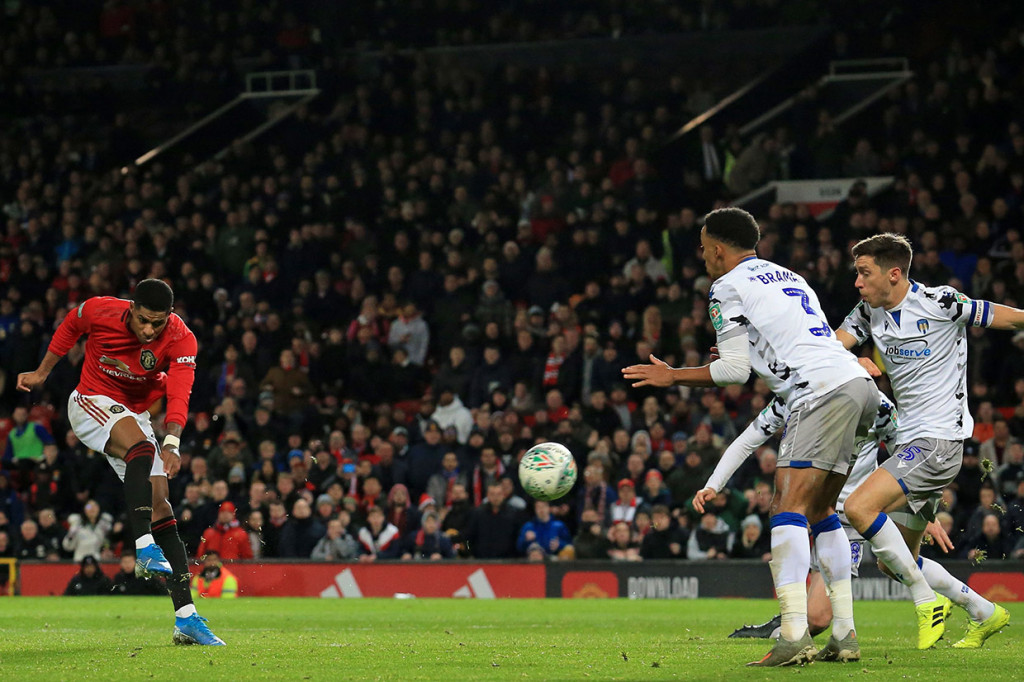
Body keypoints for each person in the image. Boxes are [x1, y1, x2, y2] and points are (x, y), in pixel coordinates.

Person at [623, 208, 877, 666]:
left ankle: (794, 633)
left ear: (718, 250)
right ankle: (843, 634)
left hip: (815, 392)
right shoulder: (791, 276)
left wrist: (672, 376)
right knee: (823, 512)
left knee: (786, 507)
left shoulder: (726, 286)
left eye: (703, 249)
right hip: (857, 386)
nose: (702, 258)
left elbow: (734, 371)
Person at [16, 280, 224, 645]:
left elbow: (179, 392)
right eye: (143, 320)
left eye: (157, 323)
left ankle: (186, 619)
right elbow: (69, 325)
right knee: (142, 449)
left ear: (169, 317)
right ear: (130, 309)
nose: (149, 330)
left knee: (161, 504)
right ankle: (143, 547)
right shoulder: (101, 309)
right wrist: (42, 372)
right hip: (90, 401)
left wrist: (173, 443)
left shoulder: (181, 338)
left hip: (134, 415)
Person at [837, 233, 1013, 649]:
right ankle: (985, 612)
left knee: (859, 507)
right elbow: (828, 346)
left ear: (893, 273)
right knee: (894, 560)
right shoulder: (868, 312)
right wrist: (851, 357)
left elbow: (1009, 317)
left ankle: (926, 601)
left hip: (938, 442)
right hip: (909, 446)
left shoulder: (942, 304)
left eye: (865, 273)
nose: (857, 283)